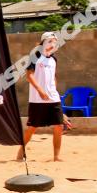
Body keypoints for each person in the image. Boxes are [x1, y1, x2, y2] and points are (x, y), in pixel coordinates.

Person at [17, 32, 65, 162]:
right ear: (43, 42)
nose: (53, 44)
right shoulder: (34, 57)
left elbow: (53, 76)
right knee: (32, 128)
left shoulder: (54, 59)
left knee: (59, 126)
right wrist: (40, 90)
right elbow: (29, 75)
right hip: (37, 99)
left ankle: (56, 156)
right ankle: (21, 151)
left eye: (54, 41)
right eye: (50, 41)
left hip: (53, 98)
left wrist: (53, 90)